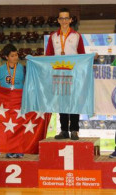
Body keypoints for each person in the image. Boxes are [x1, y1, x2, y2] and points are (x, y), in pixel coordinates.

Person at [45, 7, 85, 140]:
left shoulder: (76, 36)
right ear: (58, 20)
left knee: (73, 101)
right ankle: (63, 130)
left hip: (73, 74)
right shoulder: (53, 36)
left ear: (71, 20)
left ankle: (74, 130)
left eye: (66, 18)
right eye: (61, 18)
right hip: (58, 74)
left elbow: (82, 56)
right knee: (62, 102)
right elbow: (48, 56)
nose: (64, 21)